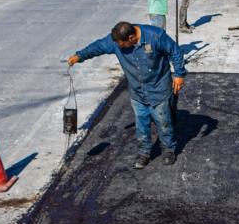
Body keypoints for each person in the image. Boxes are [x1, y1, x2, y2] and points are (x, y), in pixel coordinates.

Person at [68, 21, 187, 169]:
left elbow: (175, 51)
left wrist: (179, 74)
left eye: (121, 45)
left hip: (159, 89)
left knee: (163, 122)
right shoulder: (116, 41)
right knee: (142, 124)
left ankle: (168, 149)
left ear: (131, 38)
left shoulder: (155, 36)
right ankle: (144, 152)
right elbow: (98, 46)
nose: (118, 47)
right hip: (137, 92)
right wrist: (79, 56)